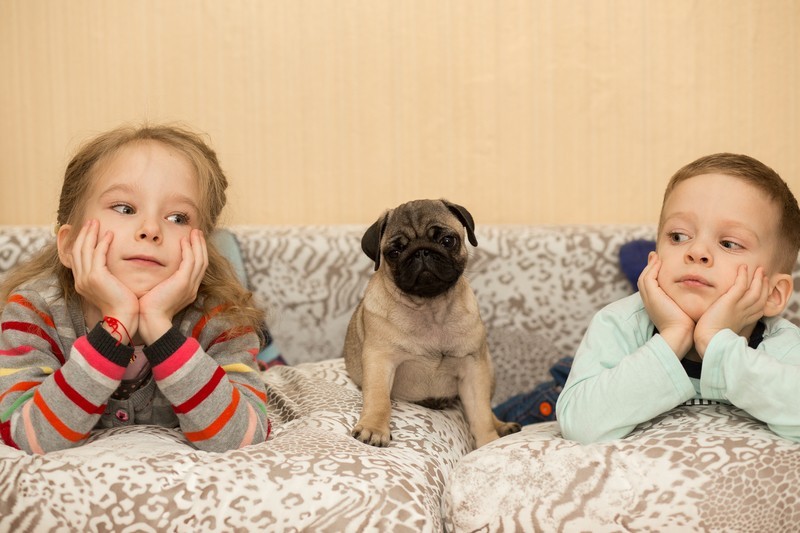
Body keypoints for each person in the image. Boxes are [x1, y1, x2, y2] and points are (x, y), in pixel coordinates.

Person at [0, 124, 271, 454]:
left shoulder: (221, 318)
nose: (151, 229)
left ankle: (270, 353)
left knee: (263, 349)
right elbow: (28, 436)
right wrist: (117, 322)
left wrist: (159, 325)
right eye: (125, 209)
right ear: (70, 244)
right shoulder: (33, 311)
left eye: (178, 218)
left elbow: (241, 438)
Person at [556, 153, 800, 444]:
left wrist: (715, 342)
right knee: (544, 397)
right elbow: (580, 424)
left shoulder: (782, 346)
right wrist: (673, 337)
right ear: (654, 259)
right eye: (678, 236)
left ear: (773, 294)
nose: (696, 251)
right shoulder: (619, 323)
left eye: (728, 243)